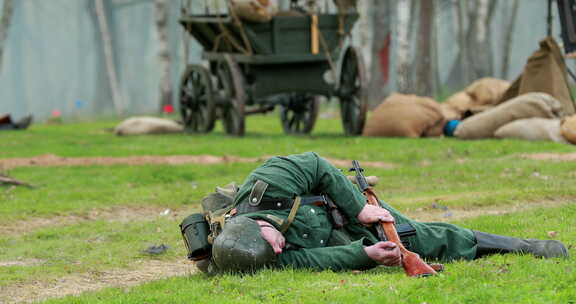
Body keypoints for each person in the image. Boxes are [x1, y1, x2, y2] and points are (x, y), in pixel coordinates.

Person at [200, 152, 568, 274]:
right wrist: (365, 254)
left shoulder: (269, 182)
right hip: (341, 234)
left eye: (274, 245)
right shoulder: (251, 253)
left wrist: (360, 209)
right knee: (406, 244)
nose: (279, 250)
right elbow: (306, 260)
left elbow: (316, 165)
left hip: (345, 209)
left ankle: (538, 249)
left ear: (258, 225)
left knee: (423, 237)